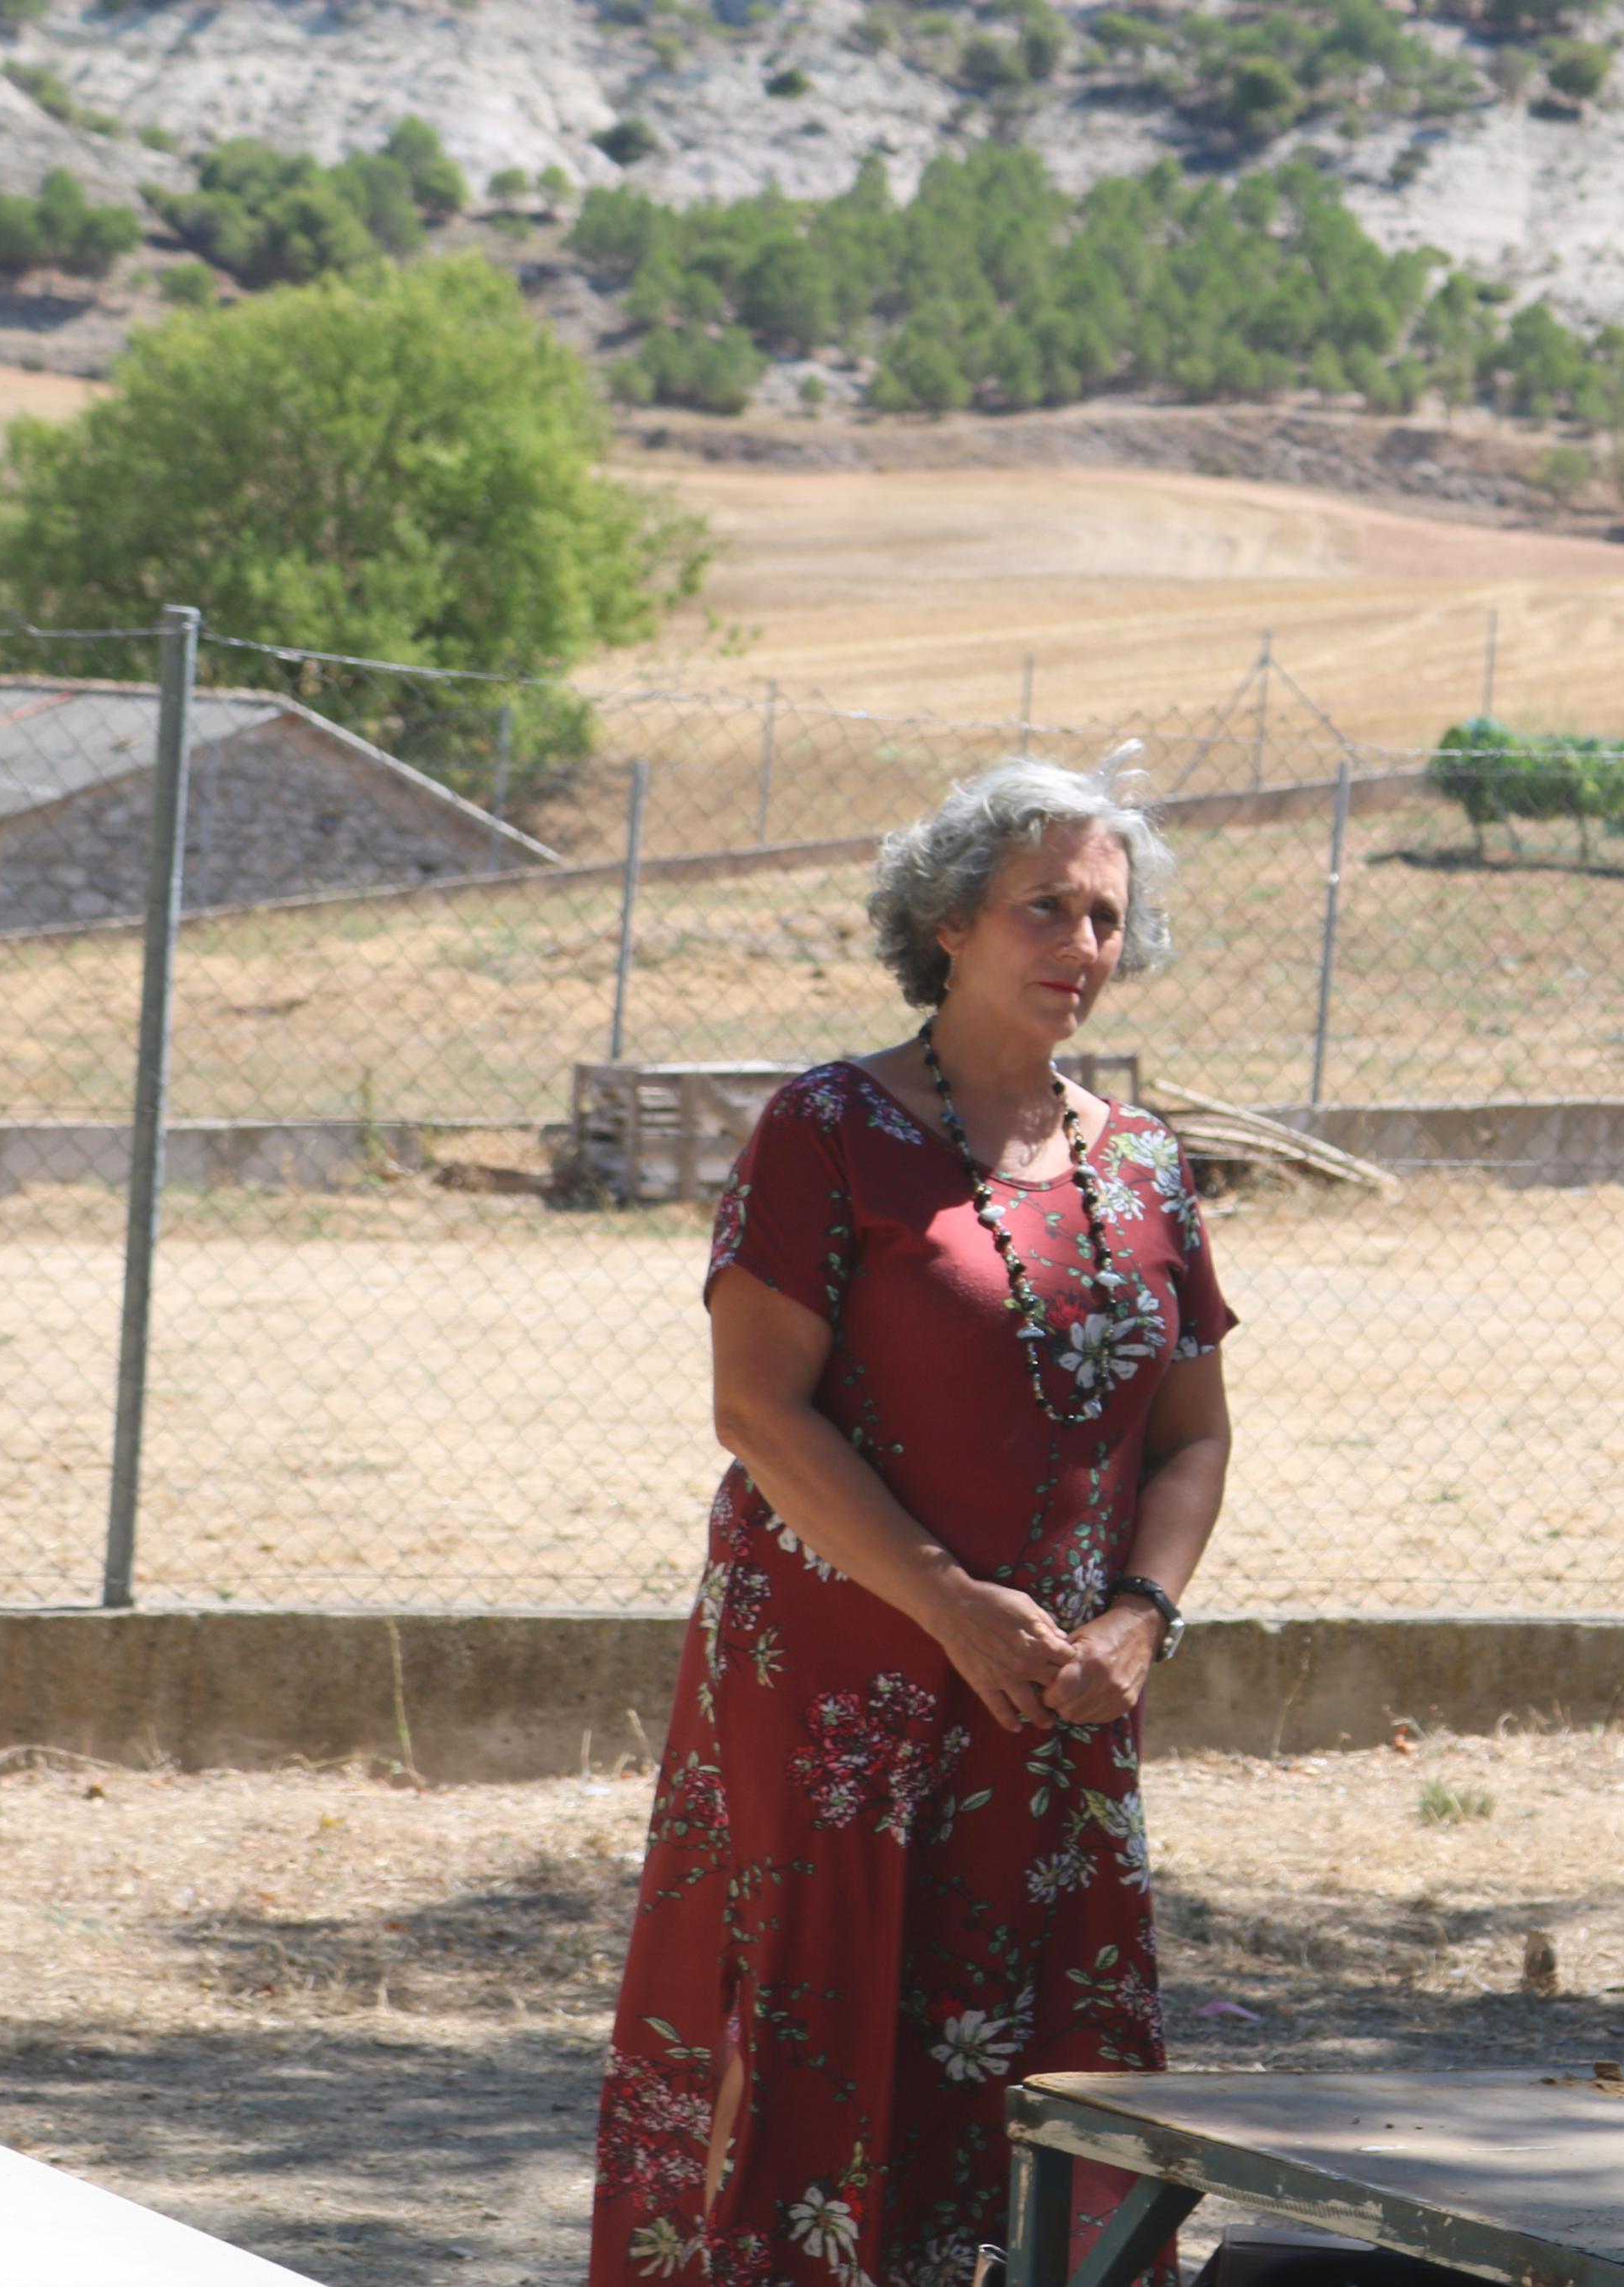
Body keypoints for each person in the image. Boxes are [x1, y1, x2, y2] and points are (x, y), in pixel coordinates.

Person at [590, 761, 1232, 2287]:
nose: (1080, 943)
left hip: (1055, 1698)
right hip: (838, 1685)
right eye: (1043, 908)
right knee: (814, 2021)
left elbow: (1195, 1437)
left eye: (1106, 916)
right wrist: (948, 1599)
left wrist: (1139, 1617)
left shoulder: (1146, 1165)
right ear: (947, 922)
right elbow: (759, 1412)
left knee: (1042, 2051)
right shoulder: (824, 1131)